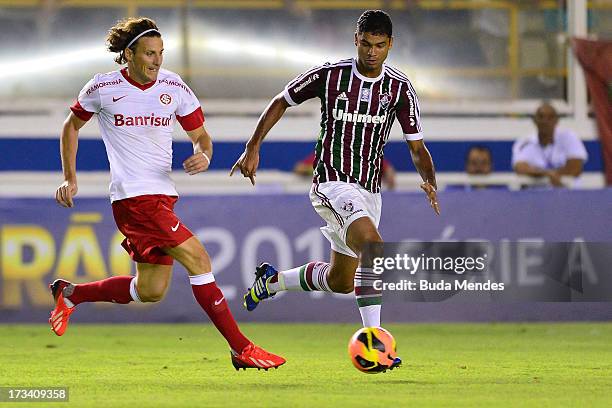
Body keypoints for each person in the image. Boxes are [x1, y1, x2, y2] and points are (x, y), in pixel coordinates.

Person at [50, 17, 285, 371]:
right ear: (128, 54)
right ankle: (241, 347)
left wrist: (204, 155)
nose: (156, 61)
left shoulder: (174, 86)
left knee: (150, 290)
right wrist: (70, 178)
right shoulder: (103, 87)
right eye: (148, 54)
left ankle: (72, 294)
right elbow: (71, 126)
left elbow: (201, 137)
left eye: (160, 53)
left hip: (162, 196)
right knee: (200, 261)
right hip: (134, 198)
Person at [231, 10, 439, 370]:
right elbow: (281, 100)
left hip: (369, 191)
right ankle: (374, 344)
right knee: (373, 247)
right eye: (366, 44)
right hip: (331, 181)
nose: (372, 52)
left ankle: (272, 282)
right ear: (355, 40)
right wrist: (253, 146)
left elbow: (416, 147)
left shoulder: (399, 88)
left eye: (379, 45)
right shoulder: (330, 75)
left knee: (341, 281)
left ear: (390, 45)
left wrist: (430, 179)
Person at [512, 102, 588, 188]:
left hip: (568, 194)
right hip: (535, 197)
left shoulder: (569, 138)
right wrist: (547, 173)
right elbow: (520, 169)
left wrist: (538, 172)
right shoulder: (524, 142)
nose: (545, 121)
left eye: (550, 117)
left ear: (557, 121)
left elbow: (575, 169)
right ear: (534, 120)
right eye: (541, 117)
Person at [294, 152, 397, 190]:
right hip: (331, 194)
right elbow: (299, 168)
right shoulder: (326, 153)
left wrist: (390, 192)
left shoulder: (366, 154)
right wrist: (322, 169)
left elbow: (388, 170)